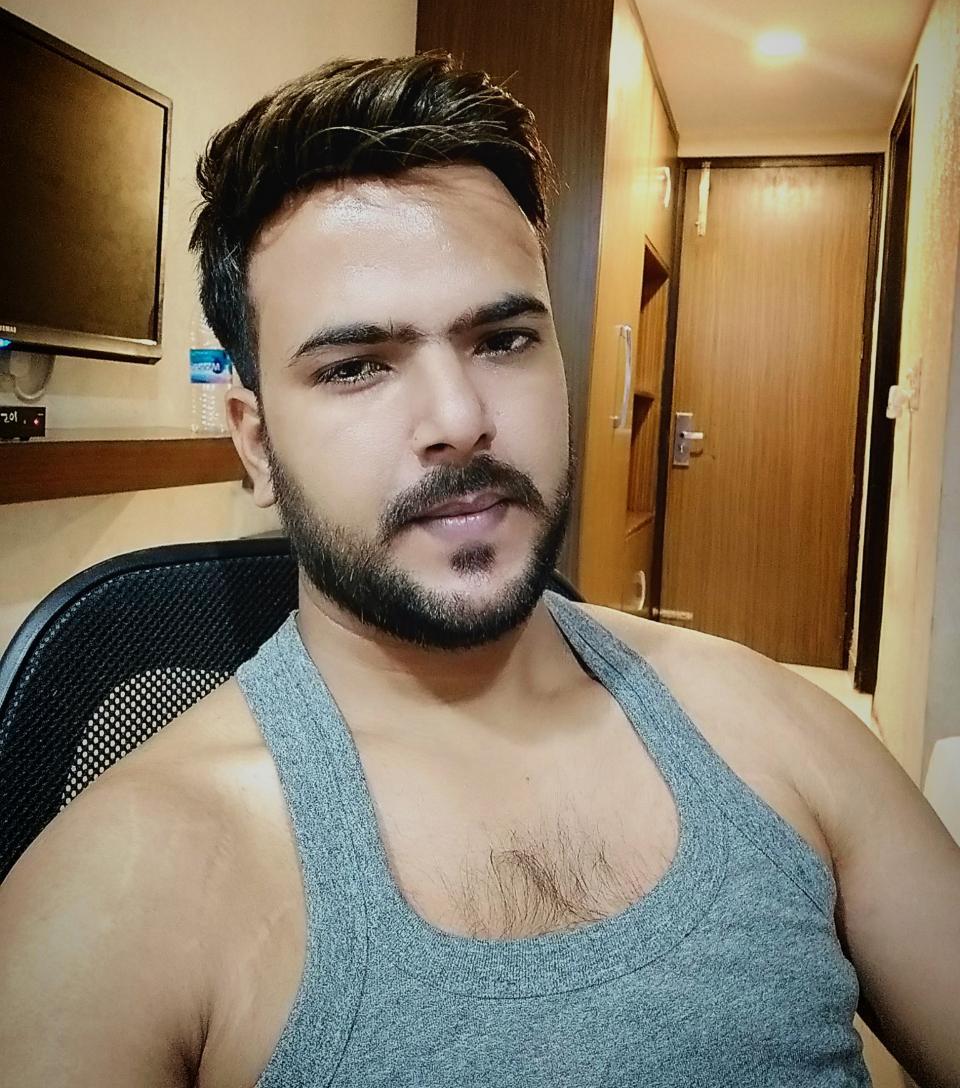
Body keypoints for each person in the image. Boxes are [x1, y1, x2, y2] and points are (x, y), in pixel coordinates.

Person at [1, 54, 958, 1087]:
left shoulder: (777, 727)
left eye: (502, 340)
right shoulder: (122, 887)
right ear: (256, 441)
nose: (459, 419)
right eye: (355, 366)